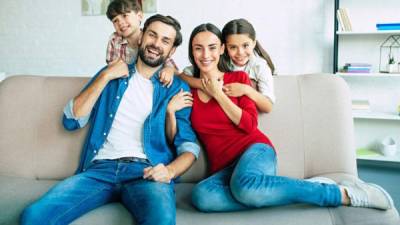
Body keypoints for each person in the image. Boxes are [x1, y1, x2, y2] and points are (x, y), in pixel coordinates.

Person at [184, 23, 393, 212]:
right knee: (202, 197)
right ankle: (287, 190)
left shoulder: (239, 79)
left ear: (221, 49)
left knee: (245, 187)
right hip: (224, 169)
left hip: (254, 151)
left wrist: (219, 94)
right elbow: (178, 129)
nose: (205, 55)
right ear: (191, 52)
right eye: (198, 48)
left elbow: (249, 125)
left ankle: (342, 194)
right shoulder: (187, 89)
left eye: (212, 47)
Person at [20, 14, 200, 225]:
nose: (156, 44)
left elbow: (188, 147)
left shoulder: (177, 89)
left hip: (146, 172)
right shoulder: (112, 74)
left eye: (165, 41)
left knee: (161, 222)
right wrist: (105, 76)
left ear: (172, 51)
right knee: (33, 218)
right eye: (152, 35)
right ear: (141, 36)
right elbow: (71, 120)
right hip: (99, 170)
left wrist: (169, 171)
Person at [178, 18, 275, 113]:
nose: (240, 52)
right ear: (224, 48)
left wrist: (245, 89)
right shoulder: (220, 60)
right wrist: (205, 85)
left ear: (253, 43)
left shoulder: (259, 66)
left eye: (245, 45)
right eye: (233, 47)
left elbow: (268, 106)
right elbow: (183, 76)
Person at [106, 0, 176, 87]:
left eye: (125, 16)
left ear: (139, 16)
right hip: (126, 81)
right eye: (115, 20)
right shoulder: (114, 39)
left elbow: (167, 59)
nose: (120, 23)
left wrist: (169, 69)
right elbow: (111, 64)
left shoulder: (149, 38)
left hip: (150, 80)